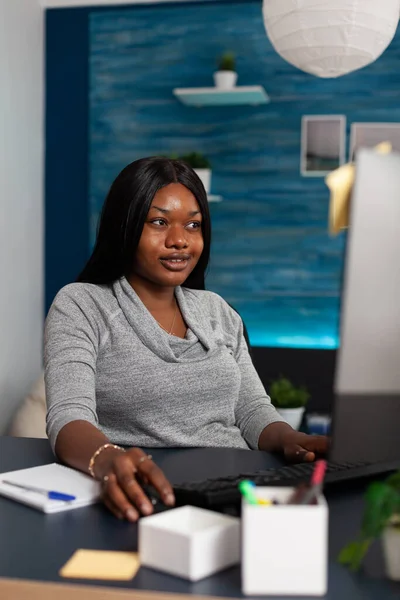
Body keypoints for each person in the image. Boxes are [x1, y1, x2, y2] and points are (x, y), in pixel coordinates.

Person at [45, 157, 328, 522]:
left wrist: (292, 439)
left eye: (193, 225)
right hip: (145, 492)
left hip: (237, 490)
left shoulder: (217, 310)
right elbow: (69, 417)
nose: (179, 240)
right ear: (126, 225)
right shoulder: (82, 304)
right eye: (159, 222)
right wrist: (107, 459)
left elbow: (252, 410)